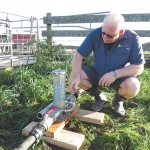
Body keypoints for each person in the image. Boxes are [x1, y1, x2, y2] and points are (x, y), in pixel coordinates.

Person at [68, 12, 145, 117]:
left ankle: (118, 100)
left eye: (110, 35)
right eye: (103, 33)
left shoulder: (132, 38)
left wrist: (114, 74)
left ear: (121, 32)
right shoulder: (95, 34)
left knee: (133, 86)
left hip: (118, 78)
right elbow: (78, 55)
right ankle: (99, 96)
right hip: (97, 73)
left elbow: (139, 67)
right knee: (75, 75)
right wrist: (76, 76)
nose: (104, 37)